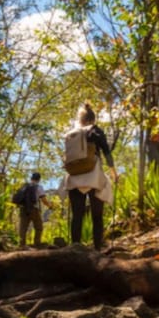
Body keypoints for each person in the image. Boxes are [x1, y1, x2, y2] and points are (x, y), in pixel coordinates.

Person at [61, 102, 118, 250]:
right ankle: (97, 249)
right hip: (93, 175)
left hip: (73, 177)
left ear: (81, 119)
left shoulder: (71, 133)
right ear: (93, 119)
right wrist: (113, 172)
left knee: (77, 215)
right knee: (97, 216)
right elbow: (106, 151)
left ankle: (75, 248)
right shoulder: (95, 130)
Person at [19, 172, 53, 248]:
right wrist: (50, 206)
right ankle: (37, 244)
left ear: (31, 178)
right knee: (39, 227)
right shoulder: (38, 187)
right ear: (39, 179)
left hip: (23, 209)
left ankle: (22, 245)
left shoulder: (24, 186)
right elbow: (43, 199)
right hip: (34, 209)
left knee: (23, 228)